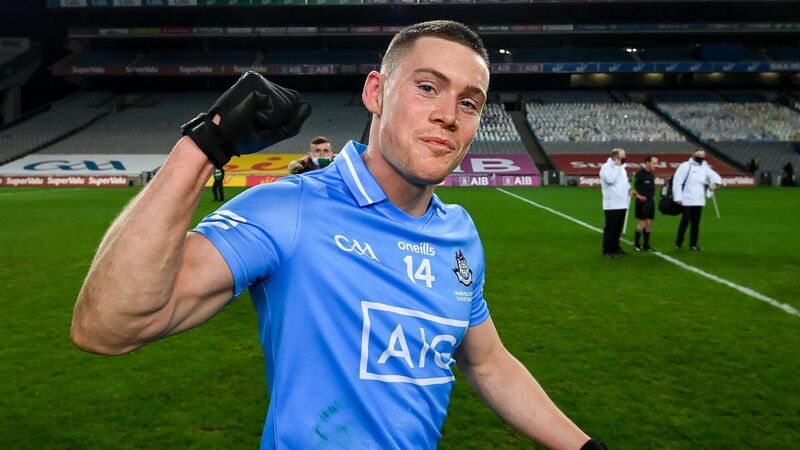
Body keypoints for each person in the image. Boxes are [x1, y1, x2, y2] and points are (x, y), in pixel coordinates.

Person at [70, 21, 606, 450]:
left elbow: (487, 362)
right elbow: (109, 327)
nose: (448, 115)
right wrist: (205, 144)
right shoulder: (290, 208)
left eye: (469, 102)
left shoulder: (458, 233)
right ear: (376, 92)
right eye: (427, 88)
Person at [673, 149, 722, 251]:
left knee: (695, 224)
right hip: (687, 200)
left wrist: (715, 184)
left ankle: (693, 244)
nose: (701, 157)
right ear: (693, 154)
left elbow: (715, 176)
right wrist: (678, 197)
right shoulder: (685, 166)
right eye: (699, 154)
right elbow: (677, 181)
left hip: (699, 200)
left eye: (703, 155)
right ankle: (678, 243)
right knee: (684, 222)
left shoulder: (704, 167)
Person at [599, 148, 630, 258]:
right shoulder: (606, 167)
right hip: (612, 204)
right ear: (616, 157)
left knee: (618, 228)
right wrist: (617, 167)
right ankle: (607, 250)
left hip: (622, 203)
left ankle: (616, 247)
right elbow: (610, 180)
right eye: (623, 156)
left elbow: (623, 183)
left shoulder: (622, 169)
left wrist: (629, 189)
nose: (625, 158)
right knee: (611, 228)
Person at [632, 155, 658, 252]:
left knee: (649, 224)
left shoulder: (651, 174)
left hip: (650, 201)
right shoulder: (639, 174)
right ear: (647, 162)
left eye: (656, 163)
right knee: (642, 224)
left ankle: (646, 245)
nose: (655, 165)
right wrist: (638, 196)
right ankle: (636, 244)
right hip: (642, 202)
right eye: (654, 163)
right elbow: (632, 187)